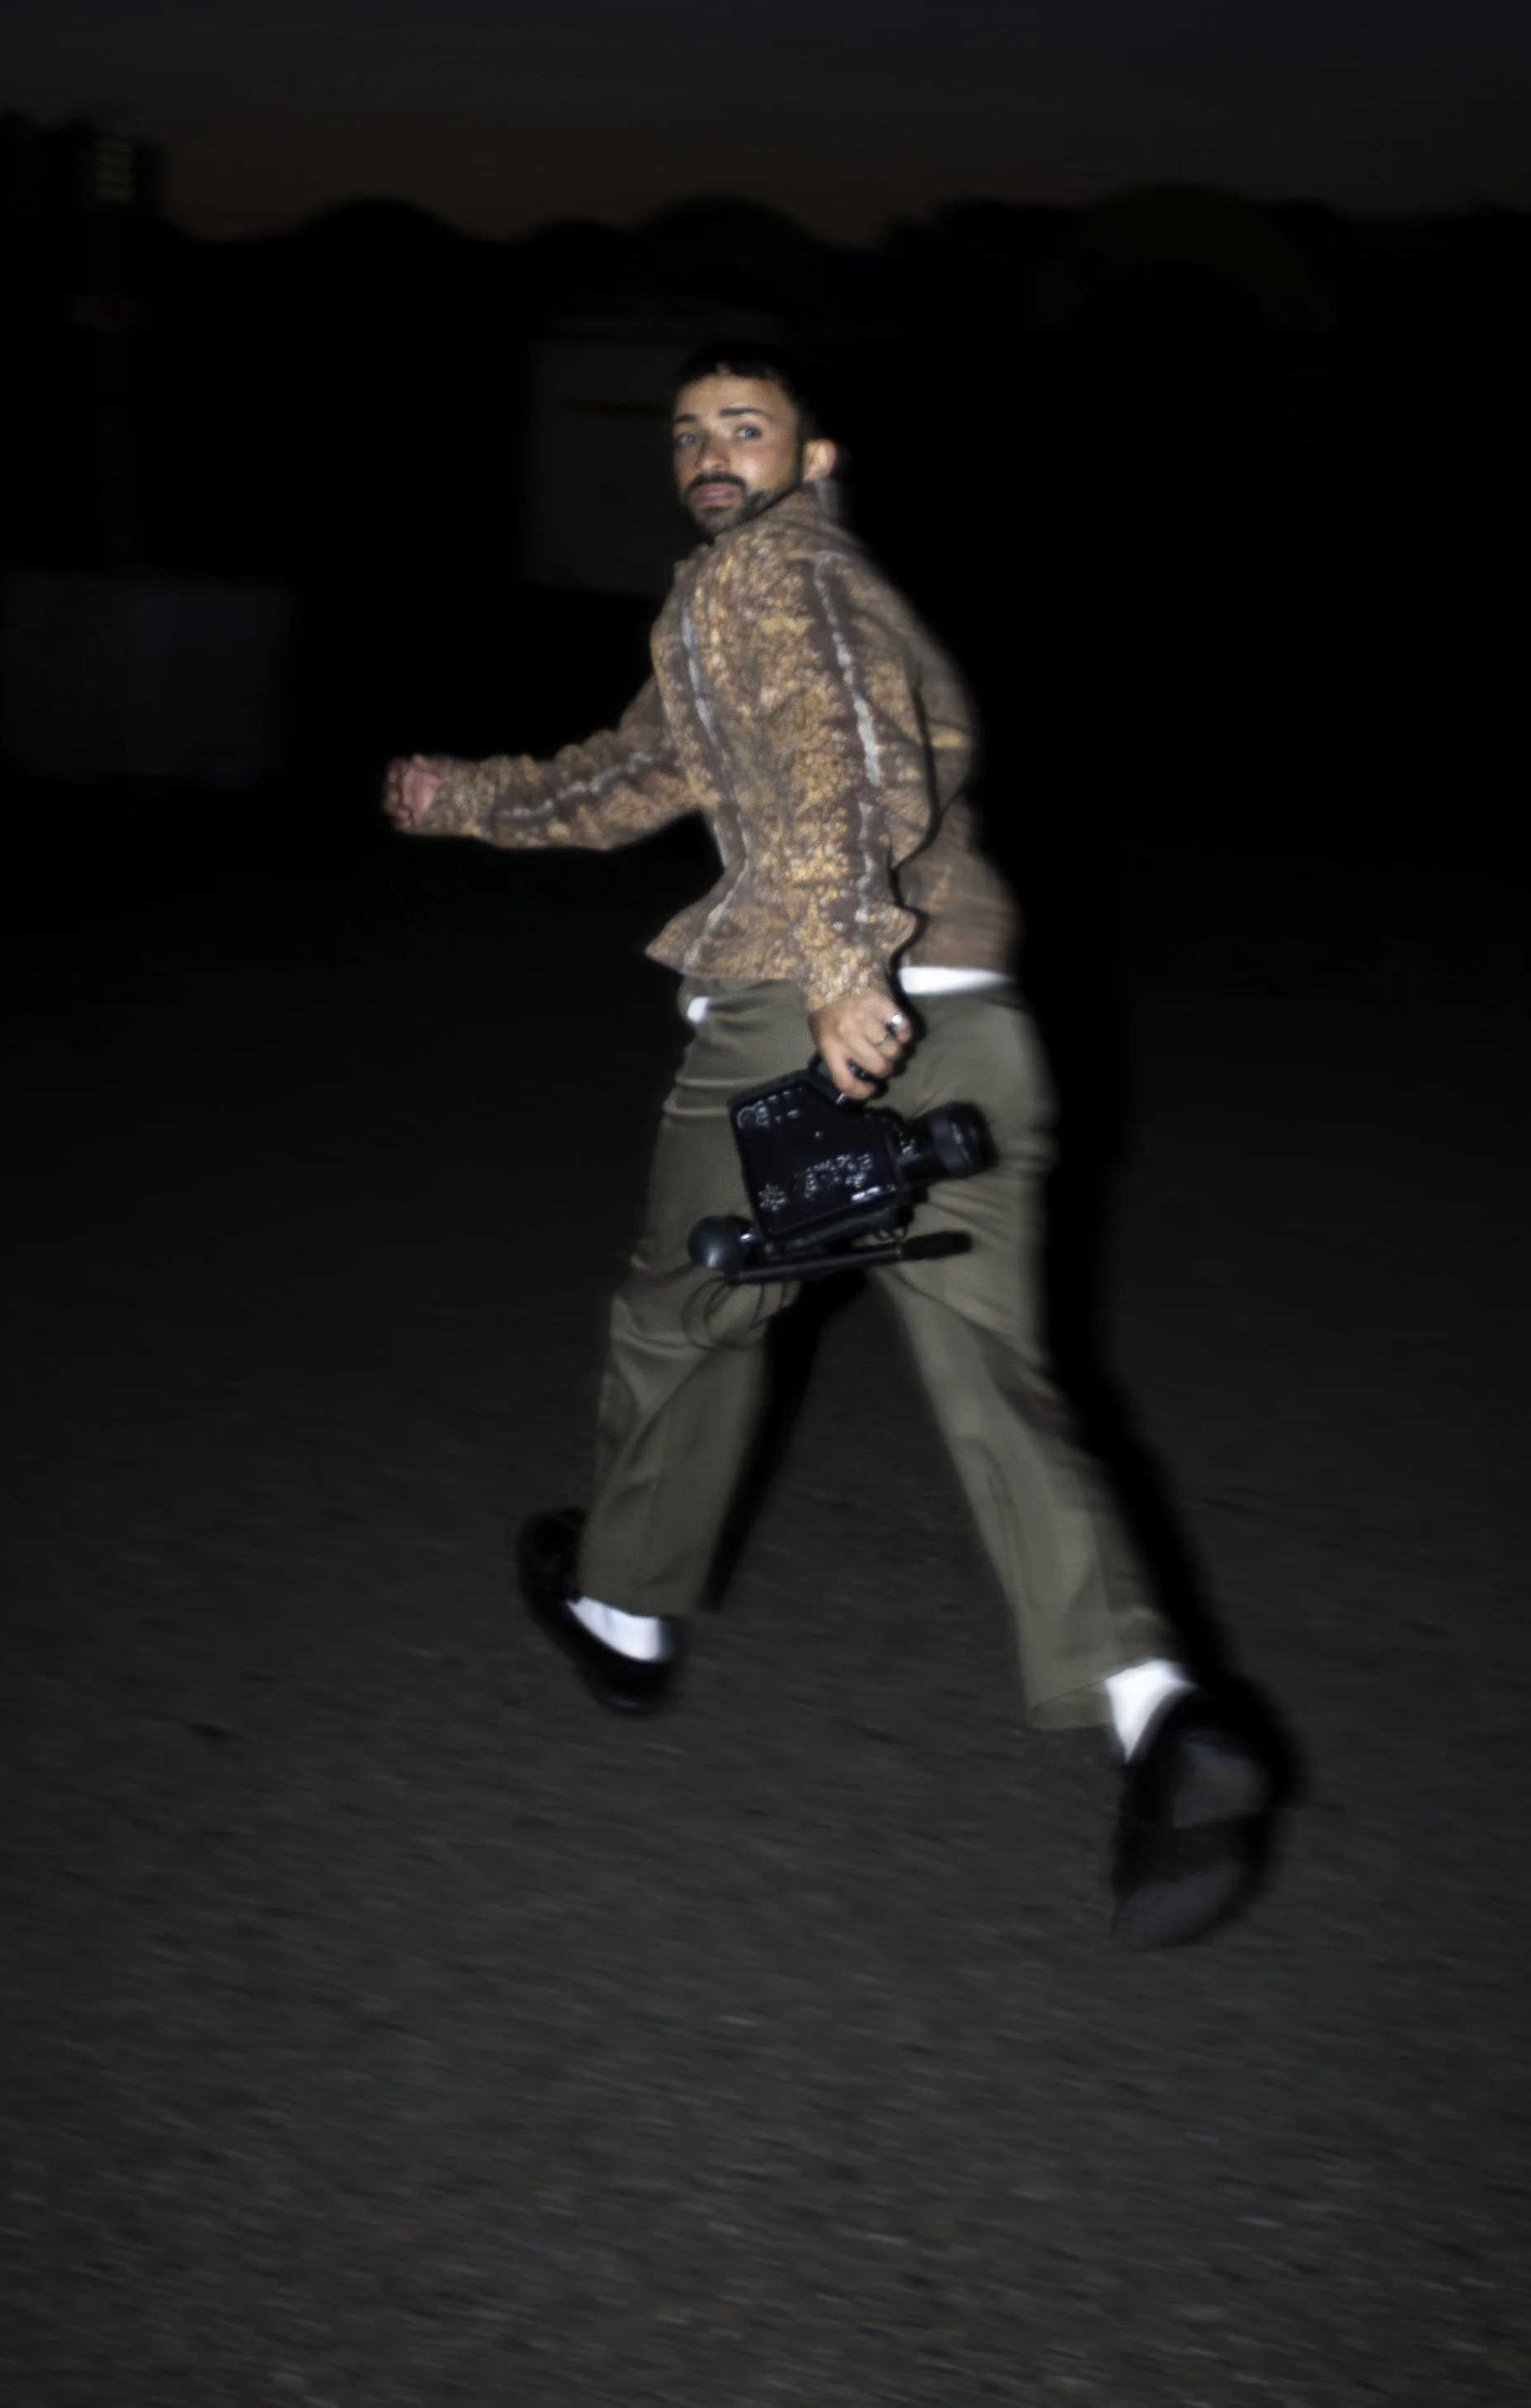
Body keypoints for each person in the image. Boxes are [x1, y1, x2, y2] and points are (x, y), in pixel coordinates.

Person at [384, 342, 1271, 1948]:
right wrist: (465, 797)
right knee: (994, 1372)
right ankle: (1157, 1711)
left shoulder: (778, 571)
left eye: (747, 429)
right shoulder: (727, 609)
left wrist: (845, 956)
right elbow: (623, 775)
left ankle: (622, 1609)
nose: (712, 456)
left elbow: (859, 754)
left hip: (818, 1003)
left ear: (818, 457)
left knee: (682, 1306)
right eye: (689, 436)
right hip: (979, 1007)